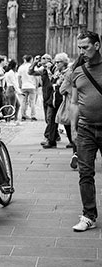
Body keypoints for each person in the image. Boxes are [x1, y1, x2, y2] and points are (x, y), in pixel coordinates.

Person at [71, 31, 102, 232]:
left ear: (97, 46)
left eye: (86, 47)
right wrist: (73, 129)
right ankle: (89, 215)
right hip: (85, 128)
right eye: (80, 48)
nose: (82, 51)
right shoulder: (78, 71)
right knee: (85, 173)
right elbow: (74, 102)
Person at [29, 53, 55, 145]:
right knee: (48, 118)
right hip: (45, 95)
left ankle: (48, 137)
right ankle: (54, 135)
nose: (41, 60)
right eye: (41, 58)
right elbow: (30, 72)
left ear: (49, 60)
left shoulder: (53, 68)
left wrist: (48, 69)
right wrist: (34, 63)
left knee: (50, 117)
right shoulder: (43, 69)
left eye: (44, 58)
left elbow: (54, 79)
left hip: (52, 96)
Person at [18, 55, 37, 121]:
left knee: (23, 101)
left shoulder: (21, 67)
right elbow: (36, 77)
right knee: (32, 101)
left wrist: (20, 85)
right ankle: (33, 115)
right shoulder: (32, 67)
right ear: (31, 59)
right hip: (32, 86)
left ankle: (23, 115)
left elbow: (19, 77)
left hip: (24, 86)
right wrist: (36, 85)